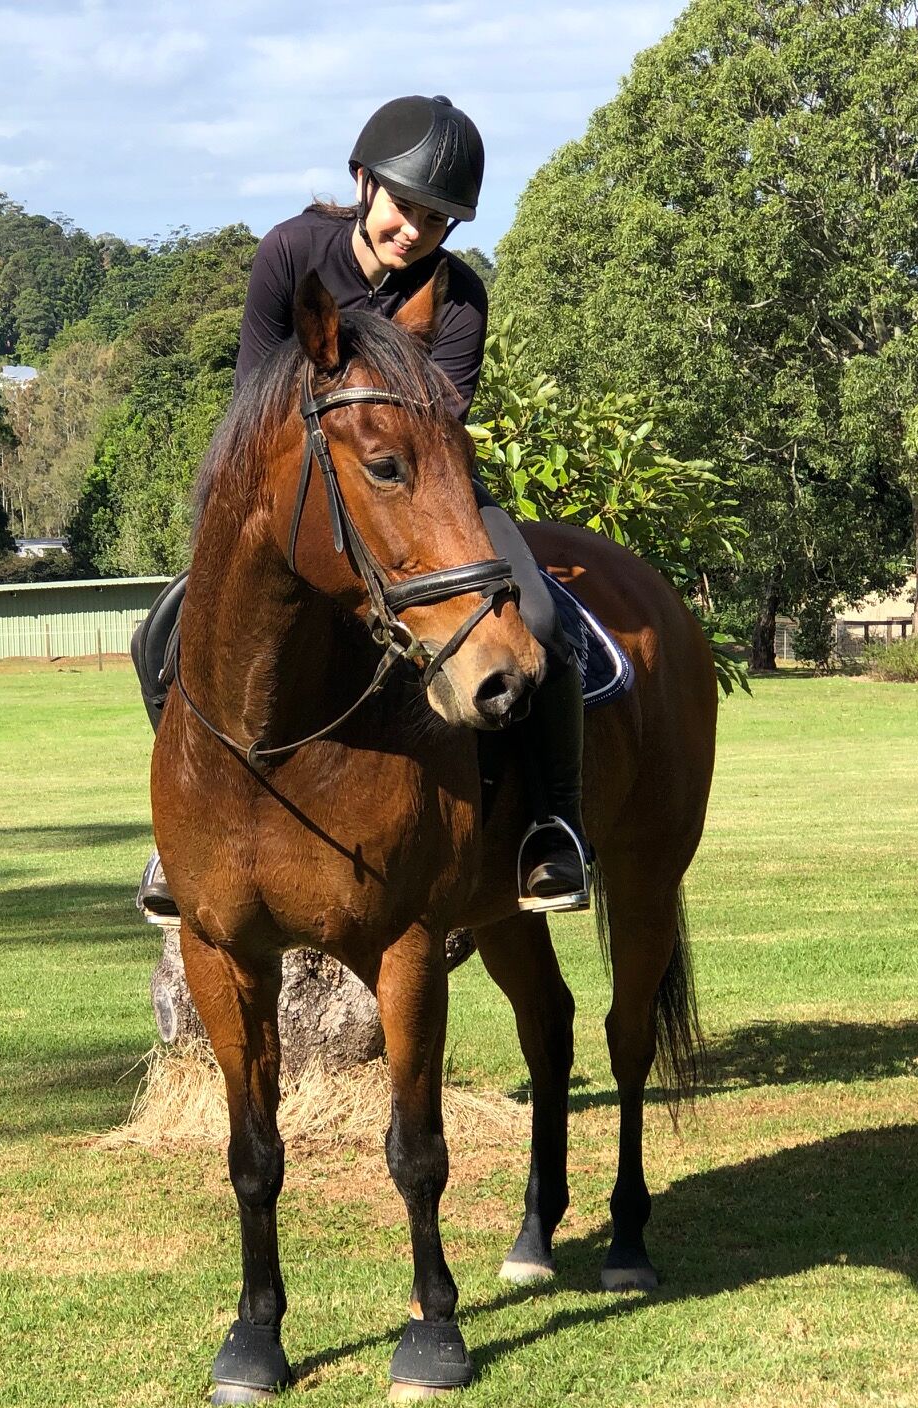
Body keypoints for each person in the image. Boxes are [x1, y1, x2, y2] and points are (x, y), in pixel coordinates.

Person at [134, 94, 591, 921]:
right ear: (362, 182)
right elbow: (254, 407)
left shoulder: (458, 296)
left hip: (424, 491)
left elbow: (434, 436)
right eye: (403, 207)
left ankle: (553, 825)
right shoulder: (290, 253)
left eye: (436, 220)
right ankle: (186, 832)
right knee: (158, 637)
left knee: (545, 627)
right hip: (291, 494)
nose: (414, 231)